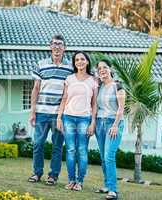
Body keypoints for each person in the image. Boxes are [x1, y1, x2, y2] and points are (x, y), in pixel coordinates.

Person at [28, 34, 73, 185]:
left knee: (57, 146)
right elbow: (35, 89)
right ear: (50, 46)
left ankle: (53, 175)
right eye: (54, 44)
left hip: (59, 115)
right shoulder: (40, 64)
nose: (57, 47)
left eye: (60, 44)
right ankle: (37, 173)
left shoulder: (70, 68)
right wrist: (33, 111)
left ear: (64, 48)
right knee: (38, 144)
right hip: (41, 113)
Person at [57, 51, 98, 191]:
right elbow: (64, 99)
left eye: (82, 59)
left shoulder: (93, 80)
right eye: (77, 60)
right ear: (74, 63)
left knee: (82, 150)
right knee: (70, 149)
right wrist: (59, 117)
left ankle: (79, 182)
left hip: (84, 119)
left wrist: (93, 122)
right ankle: (71, 180)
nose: (79, 62)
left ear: (87, 62)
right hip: (68, 117)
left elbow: (94, 103)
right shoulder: (69, 79)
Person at [94, 60, 125, 200]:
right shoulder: (99, 86)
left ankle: (113, 190)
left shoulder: (118, 86)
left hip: (113, 123)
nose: (102, 70)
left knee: (109, 156)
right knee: (103, 157)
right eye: (100, 68)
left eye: (105, 67)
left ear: (110, 69)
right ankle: (107, 185)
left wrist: (115, 125)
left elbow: (121, 108)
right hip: (100, 123)